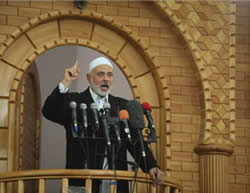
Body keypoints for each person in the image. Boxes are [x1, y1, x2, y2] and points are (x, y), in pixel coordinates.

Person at [42, 56, 165, 193]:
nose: (106, 79)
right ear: (89, 78)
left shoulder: (122, 106)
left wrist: (151, 166)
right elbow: (49, 112)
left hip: (115, 183)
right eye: (100, 74)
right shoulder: (74, 102)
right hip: (81, 182)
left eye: (109, 75)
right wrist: (66, 83)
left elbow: (136, 141)